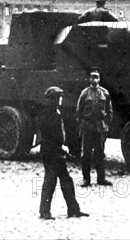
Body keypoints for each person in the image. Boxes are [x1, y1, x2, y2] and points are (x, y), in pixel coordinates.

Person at [39, 87, 89, 220]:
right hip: (51, 152)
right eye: (58, 97)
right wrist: (61, 147)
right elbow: (50, 135)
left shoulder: (55, 112)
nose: (61, 100)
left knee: (66, 180)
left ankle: (73, 209)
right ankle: (44, 211)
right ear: (53, 99)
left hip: (57, 152)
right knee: (50, 180)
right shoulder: (48, 114)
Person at [76, 67, 113, 187]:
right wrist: (82, 125)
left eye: (96, 77)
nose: (94, 79)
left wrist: (106, 125)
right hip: (87, 127)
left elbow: (109, 111)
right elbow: (79, 111)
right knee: (86, 154)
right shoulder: (84, 93)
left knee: (100, 154)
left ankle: (101, 179)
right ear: (89, 79)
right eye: (92, 77)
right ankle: (86, 179)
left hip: (100, 128)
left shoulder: (105, 93)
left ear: (99, 79)